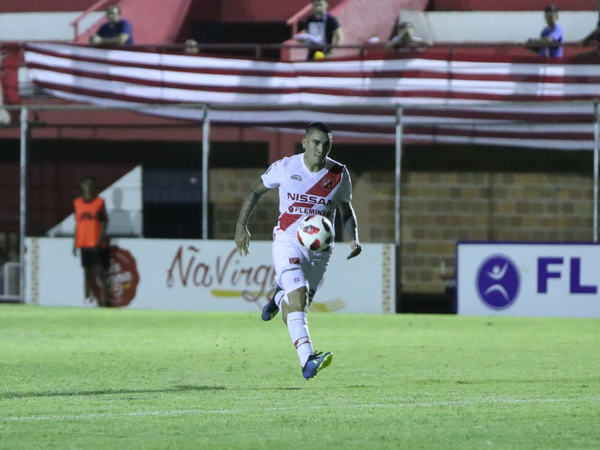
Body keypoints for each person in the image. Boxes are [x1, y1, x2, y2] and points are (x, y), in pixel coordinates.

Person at [235, 122, 362, 380]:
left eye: (326, 144)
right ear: (304, 143)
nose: (321, 148)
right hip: (287, 242)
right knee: (299, 299)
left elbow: (346, 210)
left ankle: (278, 298)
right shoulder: (286, 167)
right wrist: (241, 226)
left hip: (320, 250)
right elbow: (256, 191)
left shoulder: (339, 174)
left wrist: (354, 239)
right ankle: (308, 361)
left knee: (295, 307)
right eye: (315, 142)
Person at [72, 176, 110, 307]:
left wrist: (99, 241)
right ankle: (87, 300)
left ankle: (104, 302)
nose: (89, 187)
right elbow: (77, 225)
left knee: (100, 274)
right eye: (86, 184)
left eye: (91, 184)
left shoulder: (99, 202)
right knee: (86, 275)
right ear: (82, 185)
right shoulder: (77, 203)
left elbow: (105, 222)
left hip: (97, 245)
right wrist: (74, 244)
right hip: (84, 244)